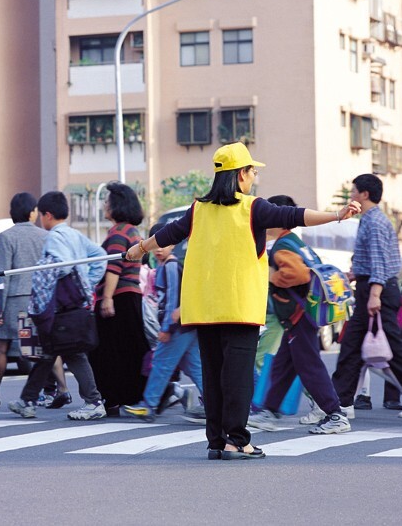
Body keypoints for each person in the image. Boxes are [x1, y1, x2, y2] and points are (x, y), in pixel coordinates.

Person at [126, 143, 360, 460]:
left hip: (204, 309)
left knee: (213, 377)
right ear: (240, 175)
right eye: (252, 170)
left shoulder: (198, 210)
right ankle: (238, 440)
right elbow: (295, 215)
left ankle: (217, 442)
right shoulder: (252, 208)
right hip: (238, 308)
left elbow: (168, 234)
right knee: (236, 379)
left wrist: (139, 248)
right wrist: (337, 215)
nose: (254, 176)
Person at [247, 195, 351, 435]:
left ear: (279, 219)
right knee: (283, 365)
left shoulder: (283, 246)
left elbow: (298, 275)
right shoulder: (295, 241)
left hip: (298, 315)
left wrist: (269, 276)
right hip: (305, 312)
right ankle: (269, 412)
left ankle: (336, 414)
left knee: (309, 366)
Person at [9, 191, 107, 421]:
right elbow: (101, 256)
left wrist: (49, 280)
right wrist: (87, 282)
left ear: (48, 215)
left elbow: (59, 267)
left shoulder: (54, 237)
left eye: (42, 215)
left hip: (60, 307)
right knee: (56, 352)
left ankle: (93, 402)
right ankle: (28, 400)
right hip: (75, 305)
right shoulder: (75, 234)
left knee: (63, 353)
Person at [332, 174, 402, 411]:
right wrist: (355, 275)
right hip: (373, 288)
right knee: (351, 349)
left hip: (378, 292)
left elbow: (380, 263)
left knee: (393, 351)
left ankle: (337, 406)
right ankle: (338, 407)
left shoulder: (374, 222)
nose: (351, 195)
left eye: (354, 191)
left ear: (364, 194)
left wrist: (374, 294)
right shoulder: (371, 219)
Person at [124, 221, 206, 423]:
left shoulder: (170, 267)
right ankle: (215, 403)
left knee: (161, 364)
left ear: (173, 245)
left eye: (164, 244)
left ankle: (148, 405)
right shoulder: (166, 266)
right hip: (187, 326)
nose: (159, 249)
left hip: (177, 326)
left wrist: (167, 328)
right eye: (156, 244)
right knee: (195, 367)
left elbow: (172, 299)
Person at [89, 181, 149, 416]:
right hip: (131, 295)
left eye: (107, 201)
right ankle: (138, 394)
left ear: (118, 205)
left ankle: (114, 397)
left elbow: (114, 267)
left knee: (106, 352)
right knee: (131, 349)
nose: (105, 205)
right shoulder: (133, 231)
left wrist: (106, 298)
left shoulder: (118, 232)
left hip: (119, 297)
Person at [0, 192, 48, 407]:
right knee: (36, 349)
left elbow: (1, 275)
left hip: (13, 298)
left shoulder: (6, 237)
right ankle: (58, 389)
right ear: (32, 212)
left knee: (1, 348)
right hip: (37, 298)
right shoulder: (44, 236)